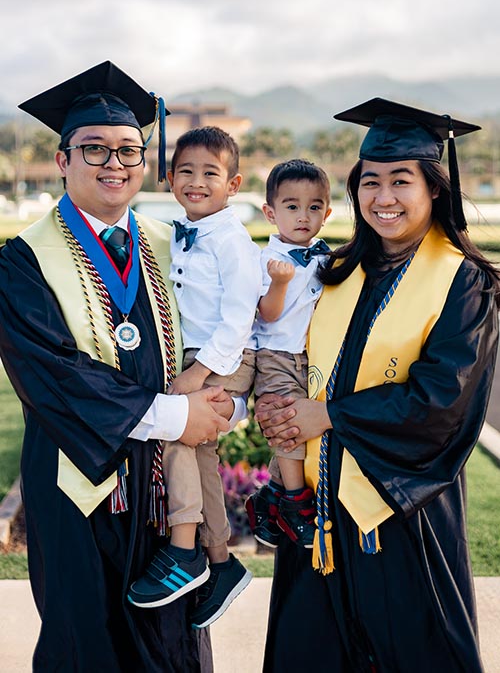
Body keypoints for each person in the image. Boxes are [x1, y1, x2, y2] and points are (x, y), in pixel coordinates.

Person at [0, 61, 239, 673]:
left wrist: (224, 403)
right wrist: (175, 417)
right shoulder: (23, 261)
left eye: (129, 149)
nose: (115, 163)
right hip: (79, 488)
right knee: (89, 641)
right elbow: (53, 377)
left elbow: (223, 329)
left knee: (171, 646)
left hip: (165, 490)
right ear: (62, 160)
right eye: (95, 149)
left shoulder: (174, 241)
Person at [255, 98, 500, 673]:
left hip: (401, 513)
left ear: (435, 188)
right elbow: (288, 353)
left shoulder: (464, 283)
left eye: (400, 181)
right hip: (315, 515)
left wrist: (330, 416)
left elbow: (443, 401)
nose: (383, 198)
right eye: (370, 182)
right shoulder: (334, 270)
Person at [128, 126, 260, 628]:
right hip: (197, 356)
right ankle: (221, 561)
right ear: (168, 178)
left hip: (220, 357)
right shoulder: (177, 232)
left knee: (181, 437)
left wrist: (200, 372)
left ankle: (184, 552)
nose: (197, 181)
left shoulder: (232, 239)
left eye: (211, 173)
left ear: (233, 183)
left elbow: (241, 316)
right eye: (186, 171)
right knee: (201, 456)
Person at [245, 159, 332, 549]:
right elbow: (268, 312)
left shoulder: (327, 258)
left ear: (327, 213)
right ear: (270, 212)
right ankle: (296, 505)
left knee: (304, 427)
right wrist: (280, 282)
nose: (304, 216)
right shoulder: (266, 261)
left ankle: (270, 497)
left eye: (314, 207)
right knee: (289, 423)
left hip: (311, 358)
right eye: (292, 206)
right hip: (276, 356)